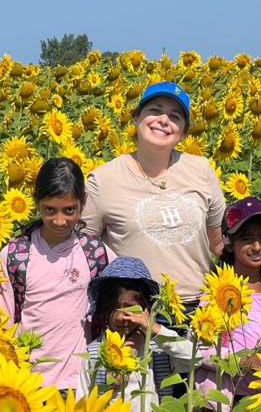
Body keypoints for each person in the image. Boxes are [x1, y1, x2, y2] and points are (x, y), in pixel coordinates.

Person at [81, 81, 226, 315]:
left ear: (184, 131)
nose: (164, 120)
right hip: (133, 313)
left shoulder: (201, 170)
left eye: (175, 116)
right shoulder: (103, 180)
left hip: (202, 310)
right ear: (137, 117)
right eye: (155, 110)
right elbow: (83, 253)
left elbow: (219, 244)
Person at [0, 158, 117, 393]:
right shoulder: (15, 255)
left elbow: (125, 299)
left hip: (81, 383)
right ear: (37, 203)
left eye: (69, 210)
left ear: (83, 203)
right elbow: (3, 323)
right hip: (27, 382)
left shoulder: (95, 254)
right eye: (49, 210)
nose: (59, 221)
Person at [195, 196, 261, 410]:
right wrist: (241, 360)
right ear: (230, 244)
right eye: (247, 239)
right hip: (227, 400)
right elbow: (198, 351)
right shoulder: (217, 293)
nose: (257, 246)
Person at [76, 256, 200, 410]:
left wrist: (155, 329)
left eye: (130, 308)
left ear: (146, 309)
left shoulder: (157, 349)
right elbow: (82, 401)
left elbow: (195, 359)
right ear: (102, 308)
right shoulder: (95, 351)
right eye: (114, 307)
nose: (121, 317)